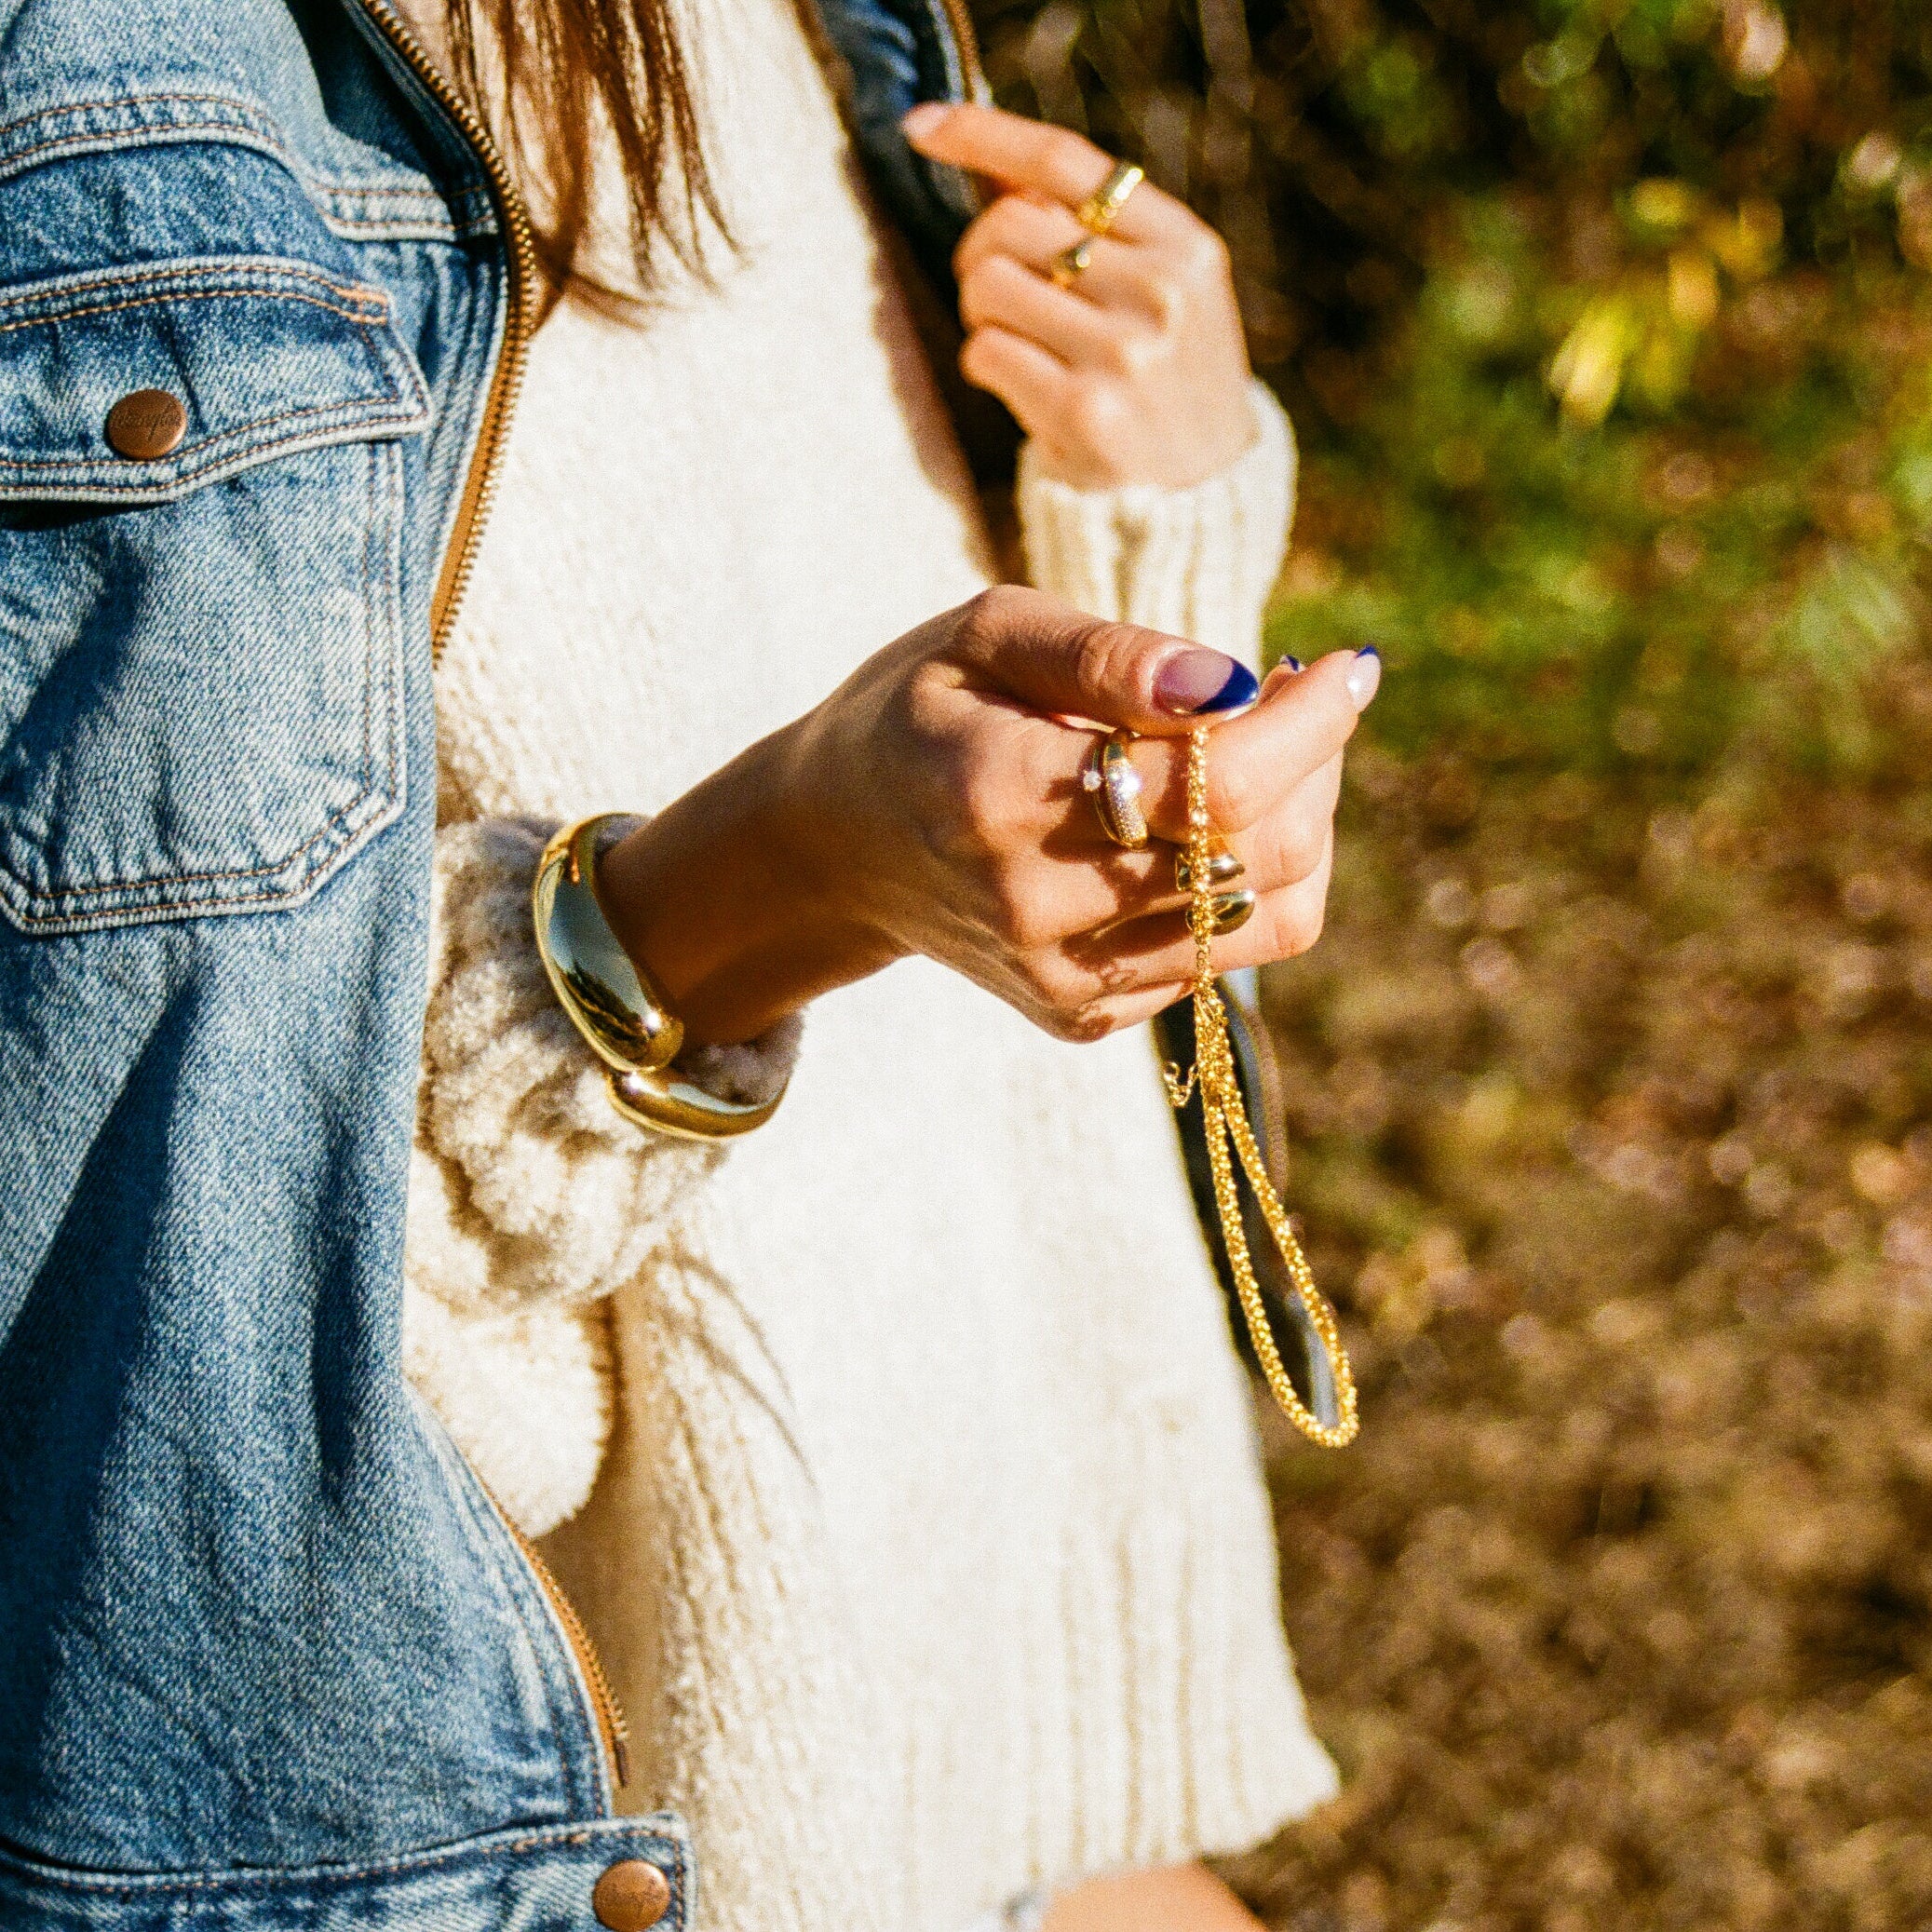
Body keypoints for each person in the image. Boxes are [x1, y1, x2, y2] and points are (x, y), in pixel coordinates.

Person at [0, 3, 1373, 1930]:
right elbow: (152, 1333)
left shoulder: (828, 32)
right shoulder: (89, 93)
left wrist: (1160, 537)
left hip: (1015, 1770)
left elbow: (972, 1063)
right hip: (584, 1828)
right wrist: (749, 894)